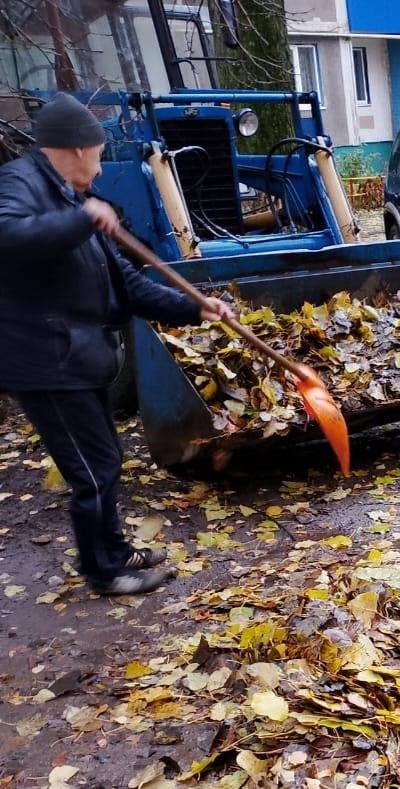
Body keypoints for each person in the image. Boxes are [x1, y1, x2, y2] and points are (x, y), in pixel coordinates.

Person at [0, 93, 234, 596]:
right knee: (92, 468)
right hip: (45, 360)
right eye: (101, 156)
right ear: (78, 149)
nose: (102, 170)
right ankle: (103, 570)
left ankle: (113, 547)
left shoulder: (68, 198)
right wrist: (85, 217)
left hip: (77, 357)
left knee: (103, 458)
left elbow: (127, 284)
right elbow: (7, 237)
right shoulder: (21, 184)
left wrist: (197, 308)